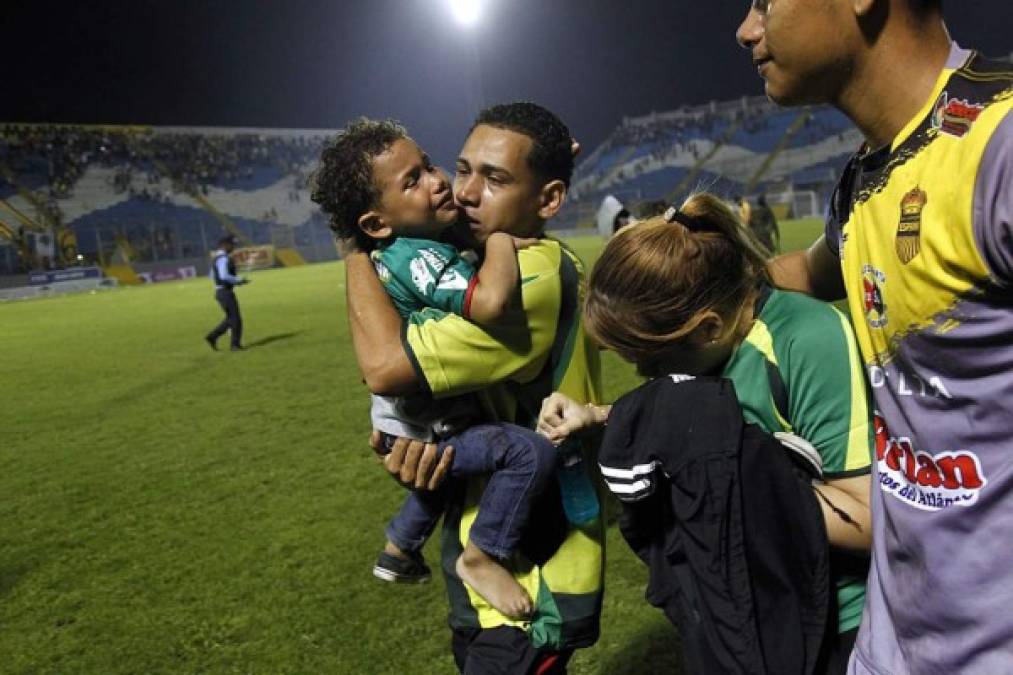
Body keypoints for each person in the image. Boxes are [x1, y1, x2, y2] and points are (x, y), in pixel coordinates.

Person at [737, 1, 1012, 672]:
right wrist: (695, 267)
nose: (746, 29)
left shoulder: (999, 147)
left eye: (763, 2)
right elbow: (806, 270)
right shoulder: (867, 173)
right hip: (893, 643)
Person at [538, 194, 875, 674]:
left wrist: (731, 475)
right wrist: (597, 415)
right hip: (748, 603)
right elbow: (706, 424)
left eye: (650, 358)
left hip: (837, 619)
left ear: (708, 328)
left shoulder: (807, 340)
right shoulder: (712, 348)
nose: (642, 372)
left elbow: (869, 517)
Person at [340, 101, 603, 674]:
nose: (462, 193)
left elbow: (384, 367)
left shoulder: (526, 281)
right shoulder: (484, 255)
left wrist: (352, 241)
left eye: (495, 179)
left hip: (534, 572)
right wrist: (426, 449)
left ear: (549, 198)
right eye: (462, 170)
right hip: (483, 548)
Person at [309, 117, 559, 620]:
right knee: (526, 452)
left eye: (428, 164)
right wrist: (502, 242)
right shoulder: (418, 255)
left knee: (441, 472)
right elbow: (486, 302)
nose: (442, 181)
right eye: (414, 180)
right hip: (431, 427)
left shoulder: (409, 246)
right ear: (377, 225)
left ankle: (400, 548)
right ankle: (483, 555)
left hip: (419, 422)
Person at [205, 234, 248, 351]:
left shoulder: (216, 259)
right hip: (225, 292)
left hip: (220, 291)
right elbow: (224, 275)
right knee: (236, 319)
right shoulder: (224, 258)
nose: (233, 248)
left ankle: (212, 337)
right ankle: (235, 345)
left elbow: (212, 275)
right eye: (232, 245)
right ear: (225, 245)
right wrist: (238, 280)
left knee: (231, 318)